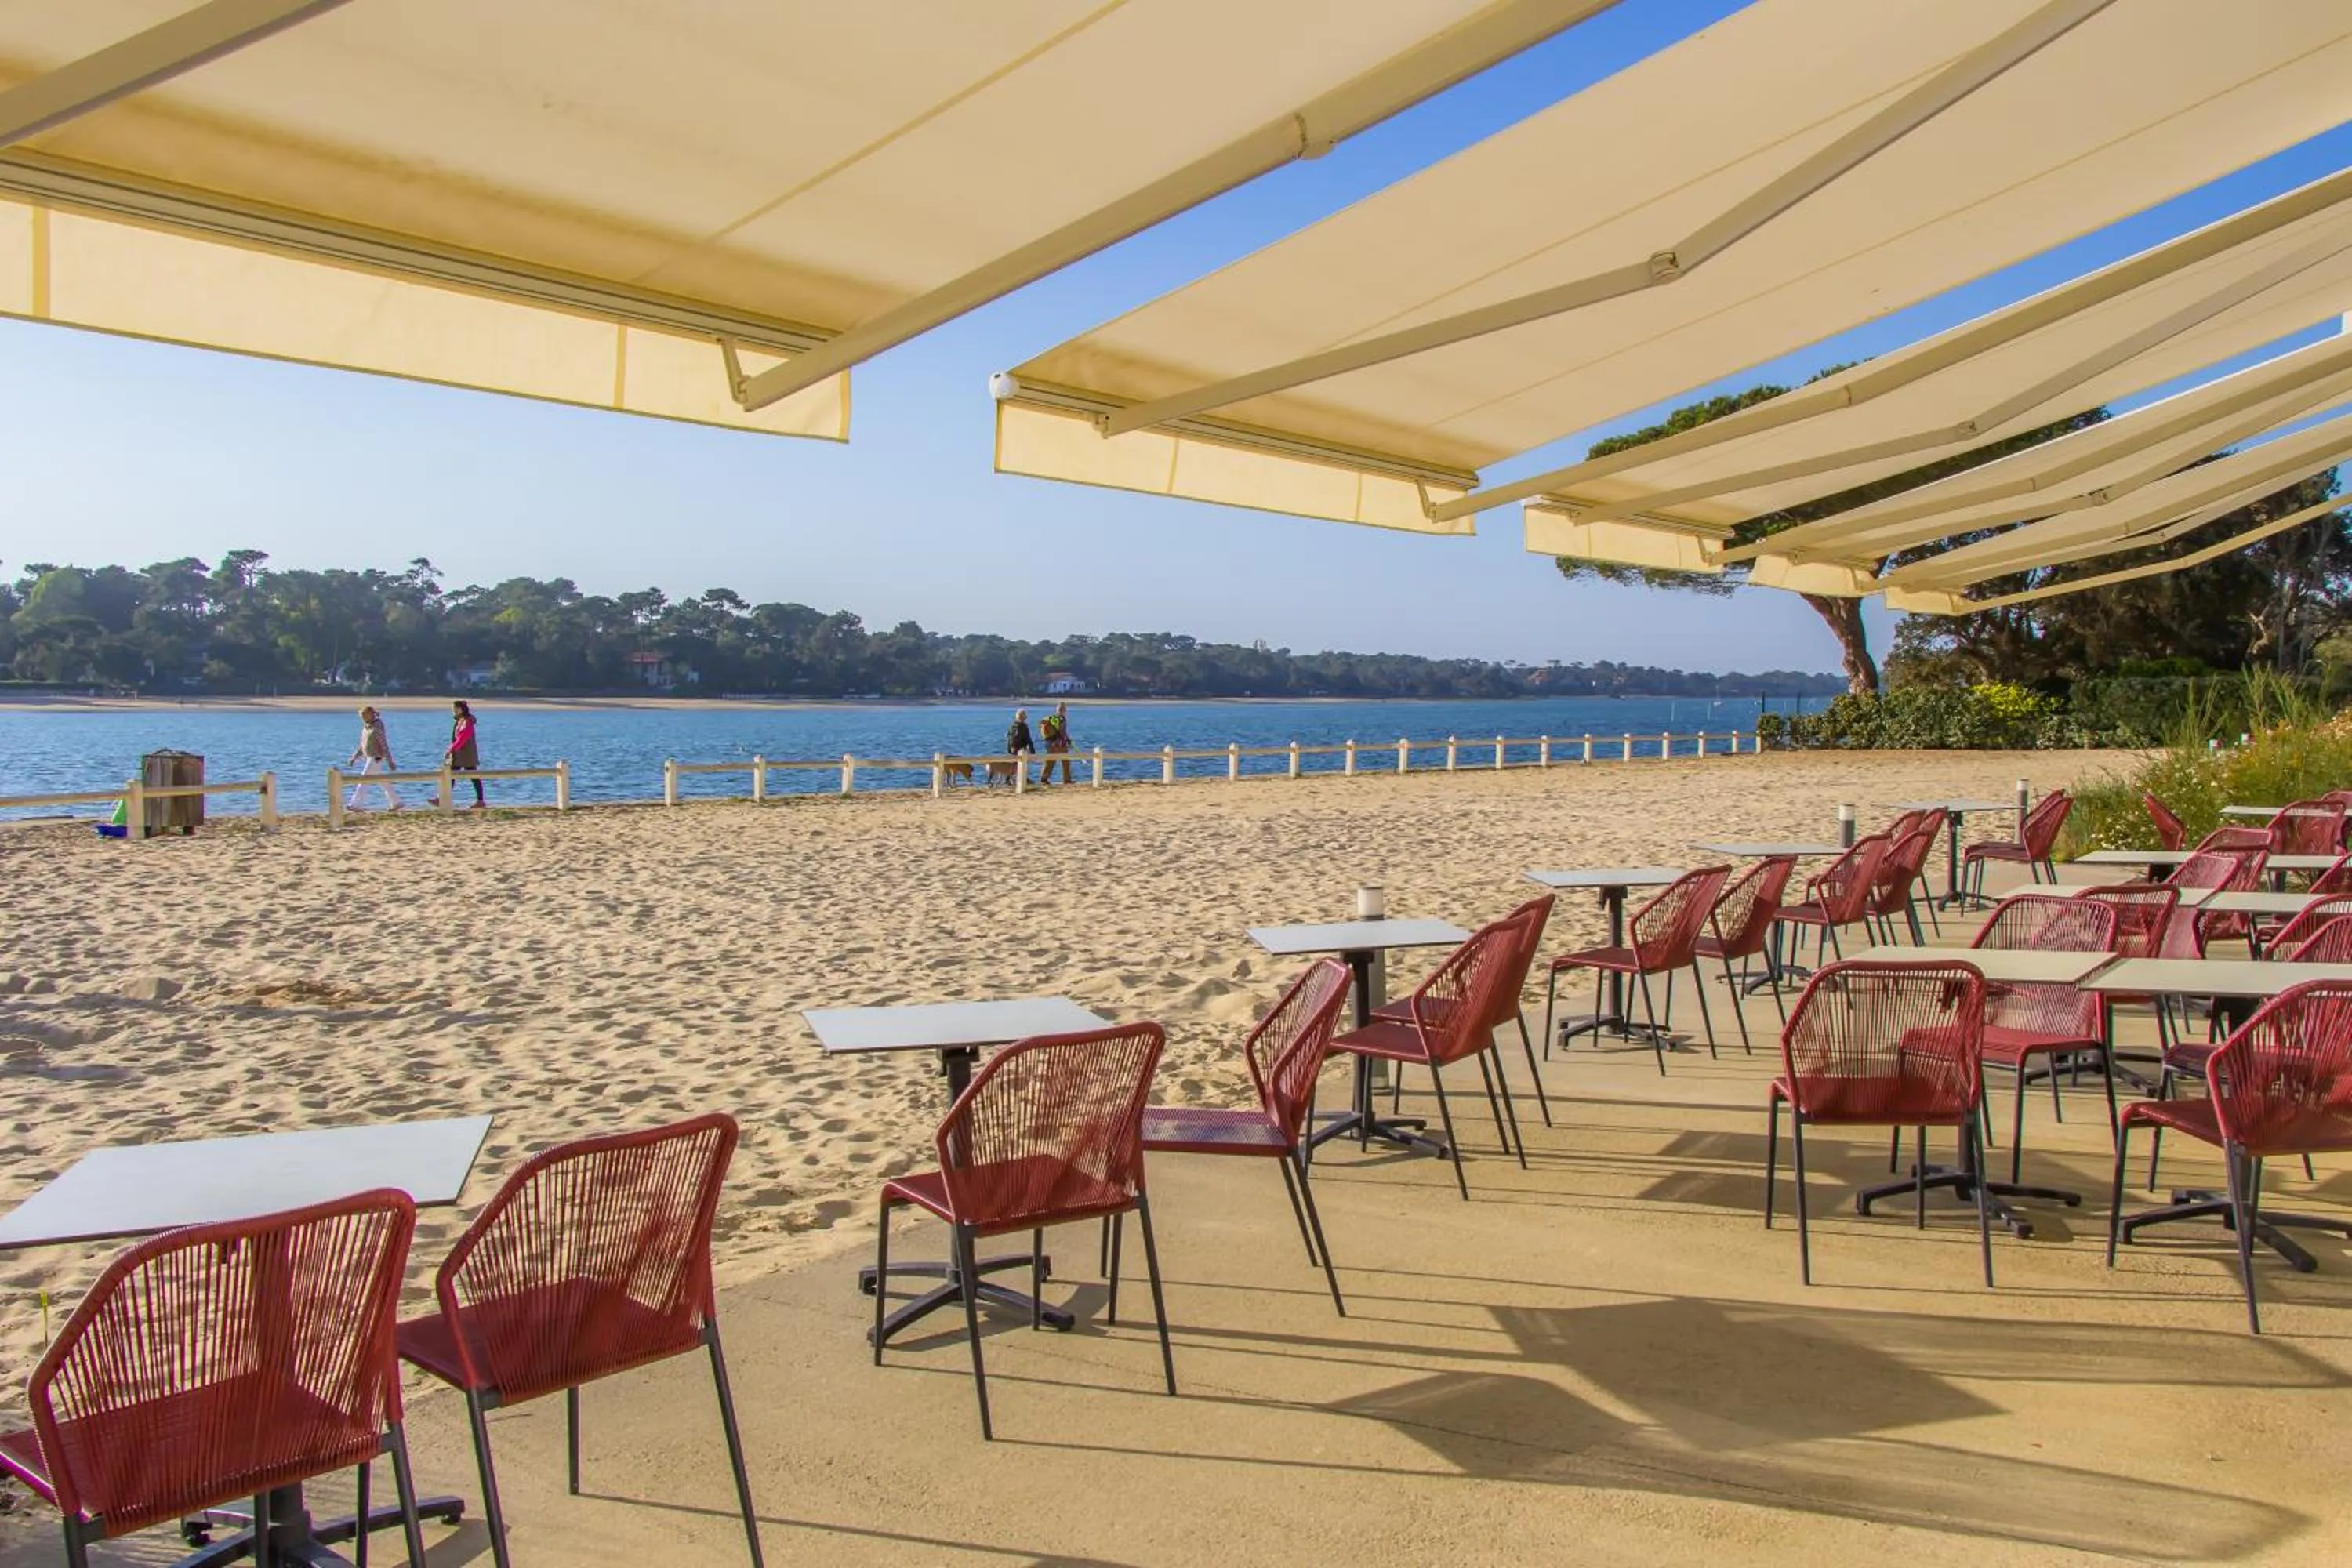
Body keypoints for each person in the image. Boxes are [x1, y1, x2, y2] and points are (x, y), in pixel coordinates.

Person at [345, 705, 402, 811]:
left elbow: (384, 744)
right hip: (370, 757)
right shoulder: (366, 728)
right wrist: (354, 757)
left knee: (363, 779)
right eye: (361, 717)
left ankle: (356, 804)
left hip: (377, 758)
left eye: (364, 716)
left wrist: (390, 761)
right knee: (383, 781)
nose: (363, 719)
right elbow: (362, 745)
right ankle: (396, 802)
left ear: (371, 715)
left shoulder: (378, 726)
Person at [445, 699, 485, 808]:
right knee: (451, 775)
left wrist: (451, 750)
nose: (453, 711)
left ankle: (480, 801)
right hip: (460, 754)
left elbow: (462, 738)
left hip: (466, 754)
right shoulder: (460, 720)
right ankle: (442, 798)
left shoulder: (467, 721)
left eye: (454, 709)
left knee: (473, 776)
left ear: (460, 709)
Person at [1038, 701, 1074, 785]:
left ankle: (1044, 779)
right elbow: (1062, 732)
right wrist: (1068, 740)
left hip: (1051, 744)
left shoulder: (1051, 718)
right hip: (1059, 744)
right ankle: (1067, 780)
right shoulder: (1061, 719)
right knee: (1064, 762)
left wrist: (1068, 739)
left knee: (1050, 762)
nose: (1063, 711)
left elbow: (1041, 723)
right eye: (1063, 710)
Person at [1004, 707, 1036, 785]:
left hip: (1012, 749)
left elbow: (1008, 737)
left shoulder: (1012, 726)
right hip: (1020, 749)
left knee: (1013, 764)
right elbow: (1028, 739)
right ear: (1024, 717)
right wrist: (1032, 751)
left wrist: (1009, 749)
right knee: (1023, 764)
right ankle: (1024, 779)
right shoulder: (1023, 726)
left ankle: (1007, 779)